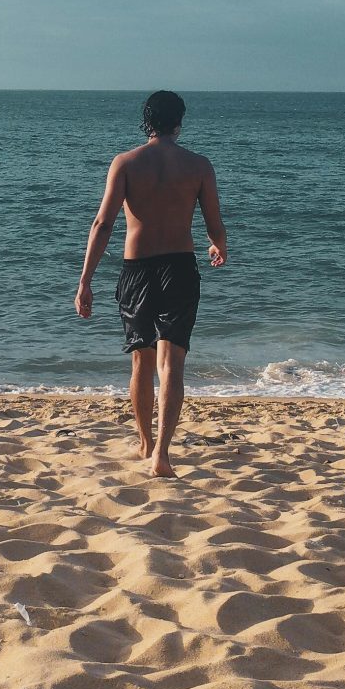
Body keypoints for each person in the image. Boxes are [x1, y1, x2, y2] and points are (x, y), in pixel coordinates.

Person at [75, 90, 227, 476]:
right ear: (179, 122)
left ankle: (144, 444)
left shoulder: (126, 163)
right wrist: (218, 246)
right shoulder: (199, 166)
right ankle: (162, 452)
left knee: (141, 361)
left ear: (146, 121)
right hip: (179, 267)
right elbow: (214, 224)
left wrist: (85, 281)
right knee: (172, 363)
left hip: (137, 269)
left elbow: (103, 224)